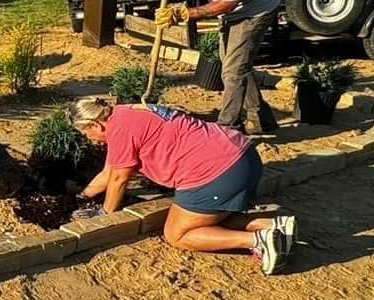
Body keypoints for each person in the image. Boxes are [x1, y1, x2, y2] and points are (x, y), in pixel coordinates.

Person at [70, 96, 296, 275]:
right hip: (243, 156)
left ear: (95, 124)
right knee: (208, 217)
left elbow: (120, 179)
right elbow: (109, 172)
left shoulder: (119, 130)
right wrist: (82, 196)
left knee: (177, 234)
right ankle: (273, 226)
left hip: (217, 172)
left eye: (85, 133)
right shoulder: (126, 113)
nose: (88, 138)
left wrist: (105, 213)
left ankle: (257, 241)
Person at [158, 0, 282, 134]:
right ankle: (262, 119)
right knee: (235, 65)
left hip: (254, 10)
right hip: (229, 9)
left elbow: (227, 4)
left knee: (233, 70)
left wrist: (184, 13)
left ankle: (228, 128)